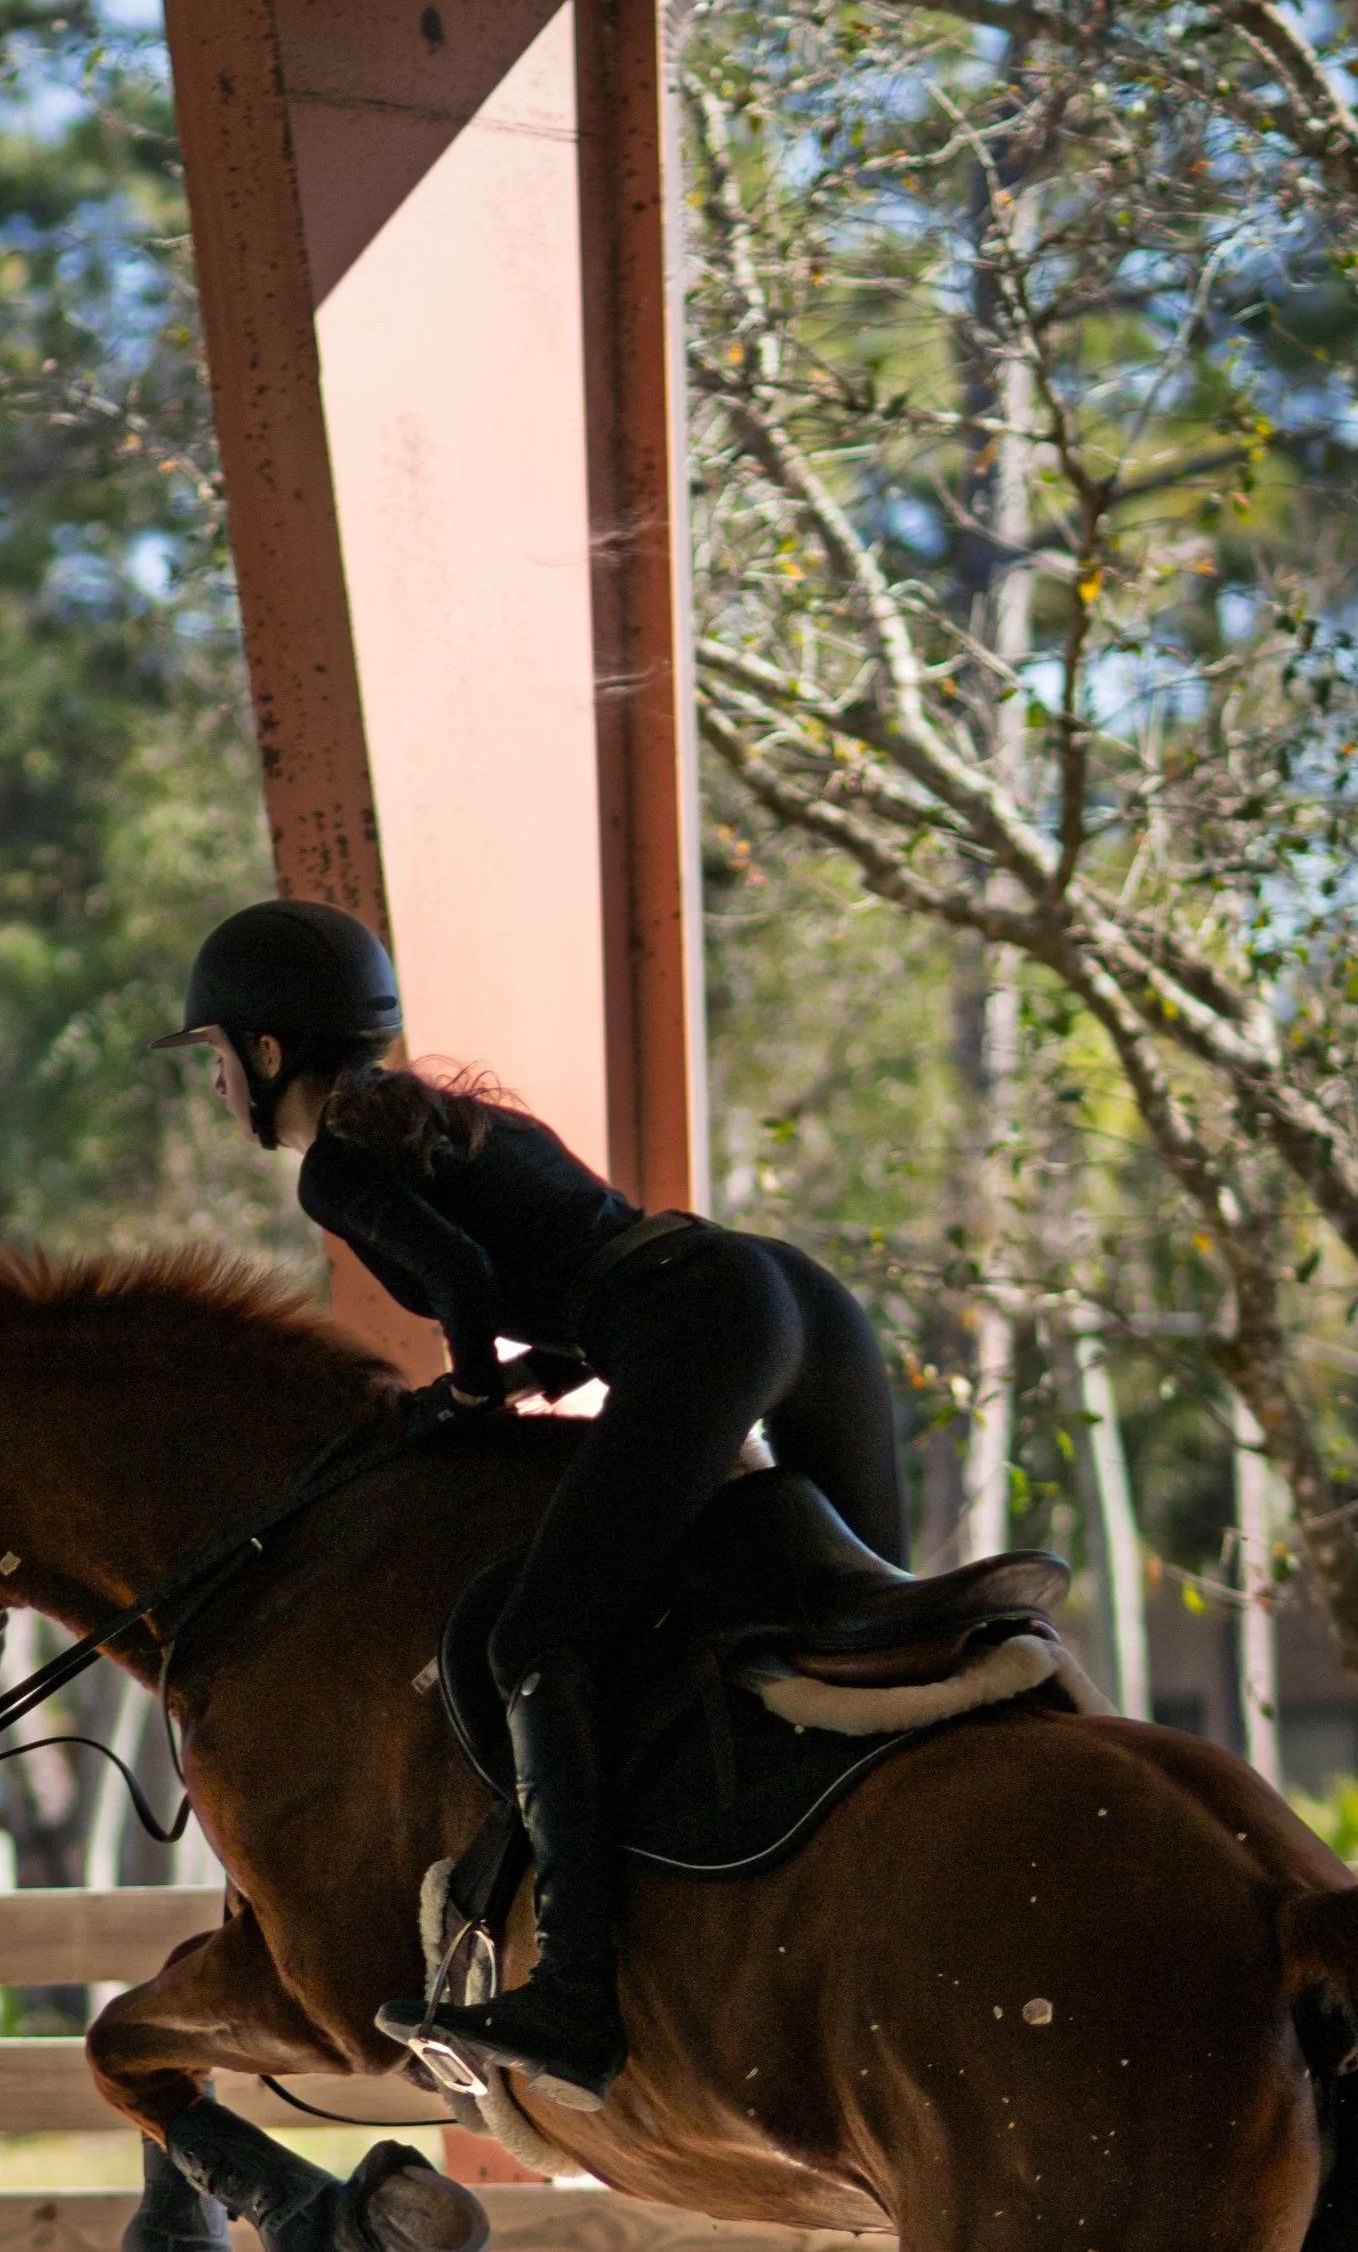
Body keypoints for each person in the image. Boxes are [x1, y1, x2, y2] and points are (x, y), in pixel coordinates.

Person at [159, 894, 926, 2114]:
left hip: (698, 1323)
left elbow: (466, 1279)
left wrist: (467, 1390)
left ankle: (573, 1986)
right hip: (776, 1293)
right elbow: (589, 1270)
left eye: (213, 1058)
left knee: (535, 1637)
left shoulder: (341, 1170)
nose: (213, 1086)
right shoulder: (452, 1123)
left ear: (263, 1052)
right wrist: (520, 1376)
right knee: (877, 1613)